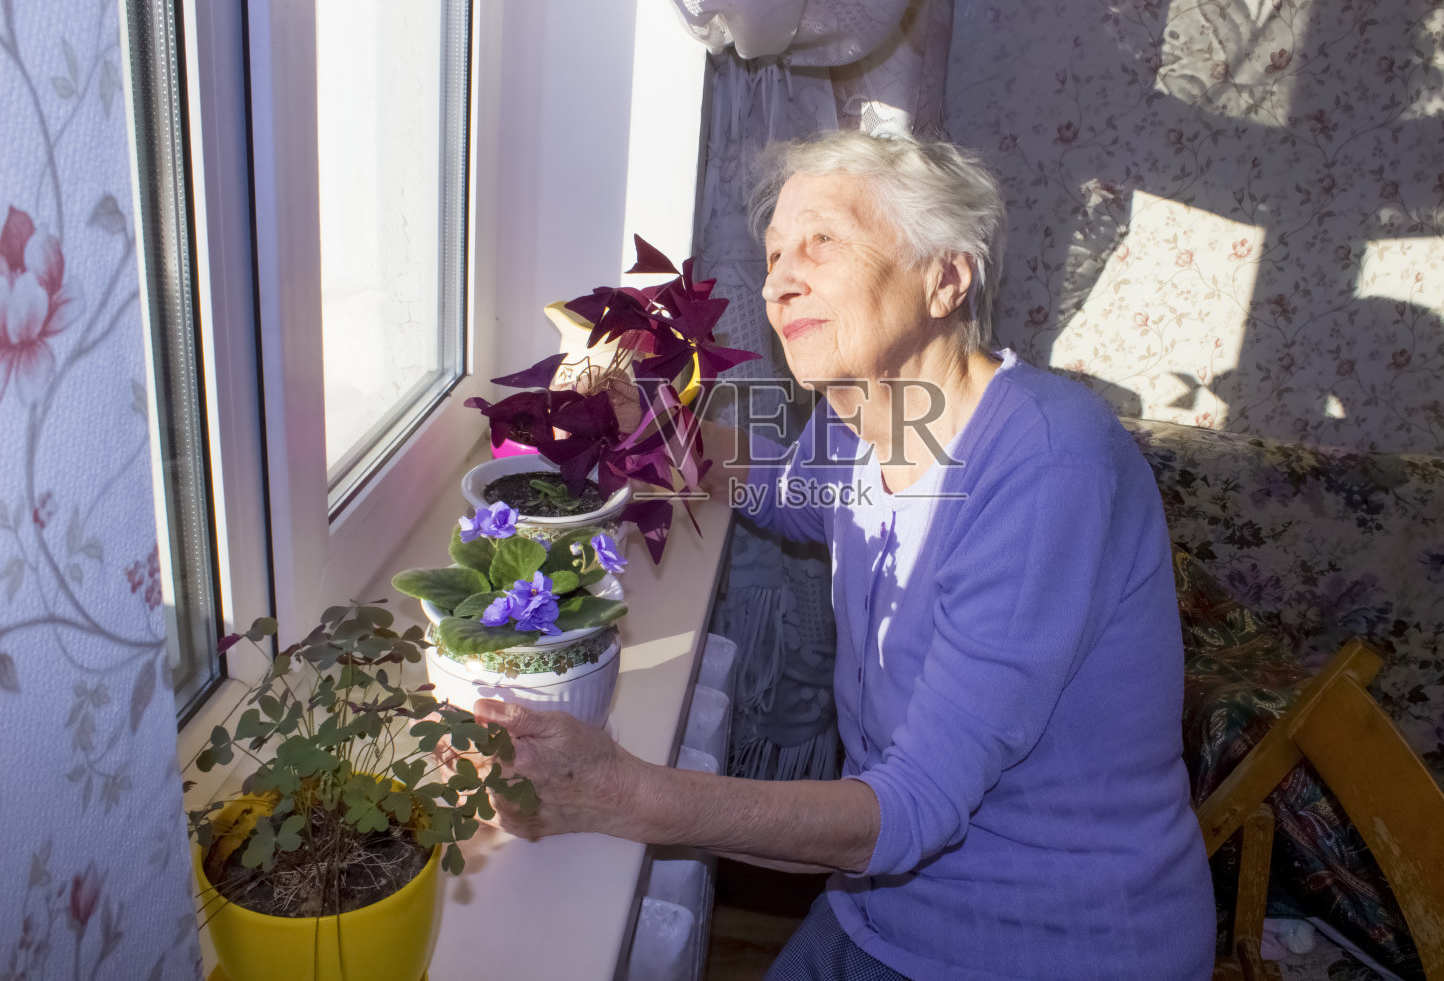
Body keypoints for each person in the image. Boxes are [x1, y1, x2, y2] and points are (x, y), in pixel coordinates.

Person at [460, 132, 1215, 980]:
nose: (779, 279)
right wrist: (646, 415)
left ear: (946, 276)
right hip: (883, 906)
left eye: (822, 240)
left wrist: (618, 791)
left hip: (1044, 943)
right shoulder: (873, 412)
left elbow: (911, 809)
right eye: (775, 252)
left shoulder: (1045, 466)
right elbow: (790, 490)